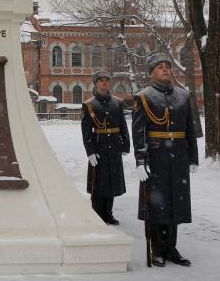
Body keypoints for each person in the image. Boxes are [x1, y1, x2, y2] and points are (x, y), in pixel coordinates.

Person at [133, 53, 199, 267]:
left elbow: (190, 128)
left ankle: (171, 247)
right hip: (156, 156)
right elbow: (139, 131)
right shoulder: (144, 97)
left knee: (175, 203)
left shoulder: (183, 95)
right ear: (151, 72)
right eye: (160, 67)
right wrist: (141, 160)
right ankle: (158, 249)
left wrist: (193, 157)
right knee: (157, 204)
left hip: (178, 155)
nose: (165, 70)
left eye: (167, 66)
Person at [81, 71, 130, 225]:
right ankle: (97, 213)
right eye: (101, 80)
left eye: (106, 80)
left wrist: (126, 145)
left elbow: (123, 124)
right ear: (95, 84)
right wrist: (90, 151)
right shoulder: (89, 105)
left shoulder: (117, 103)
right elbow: (86, 131)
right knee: (99, 181)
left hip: (114, 146)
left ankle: (108, 212)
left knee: (112, 182)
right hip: (99, 146)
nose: (104, 83)